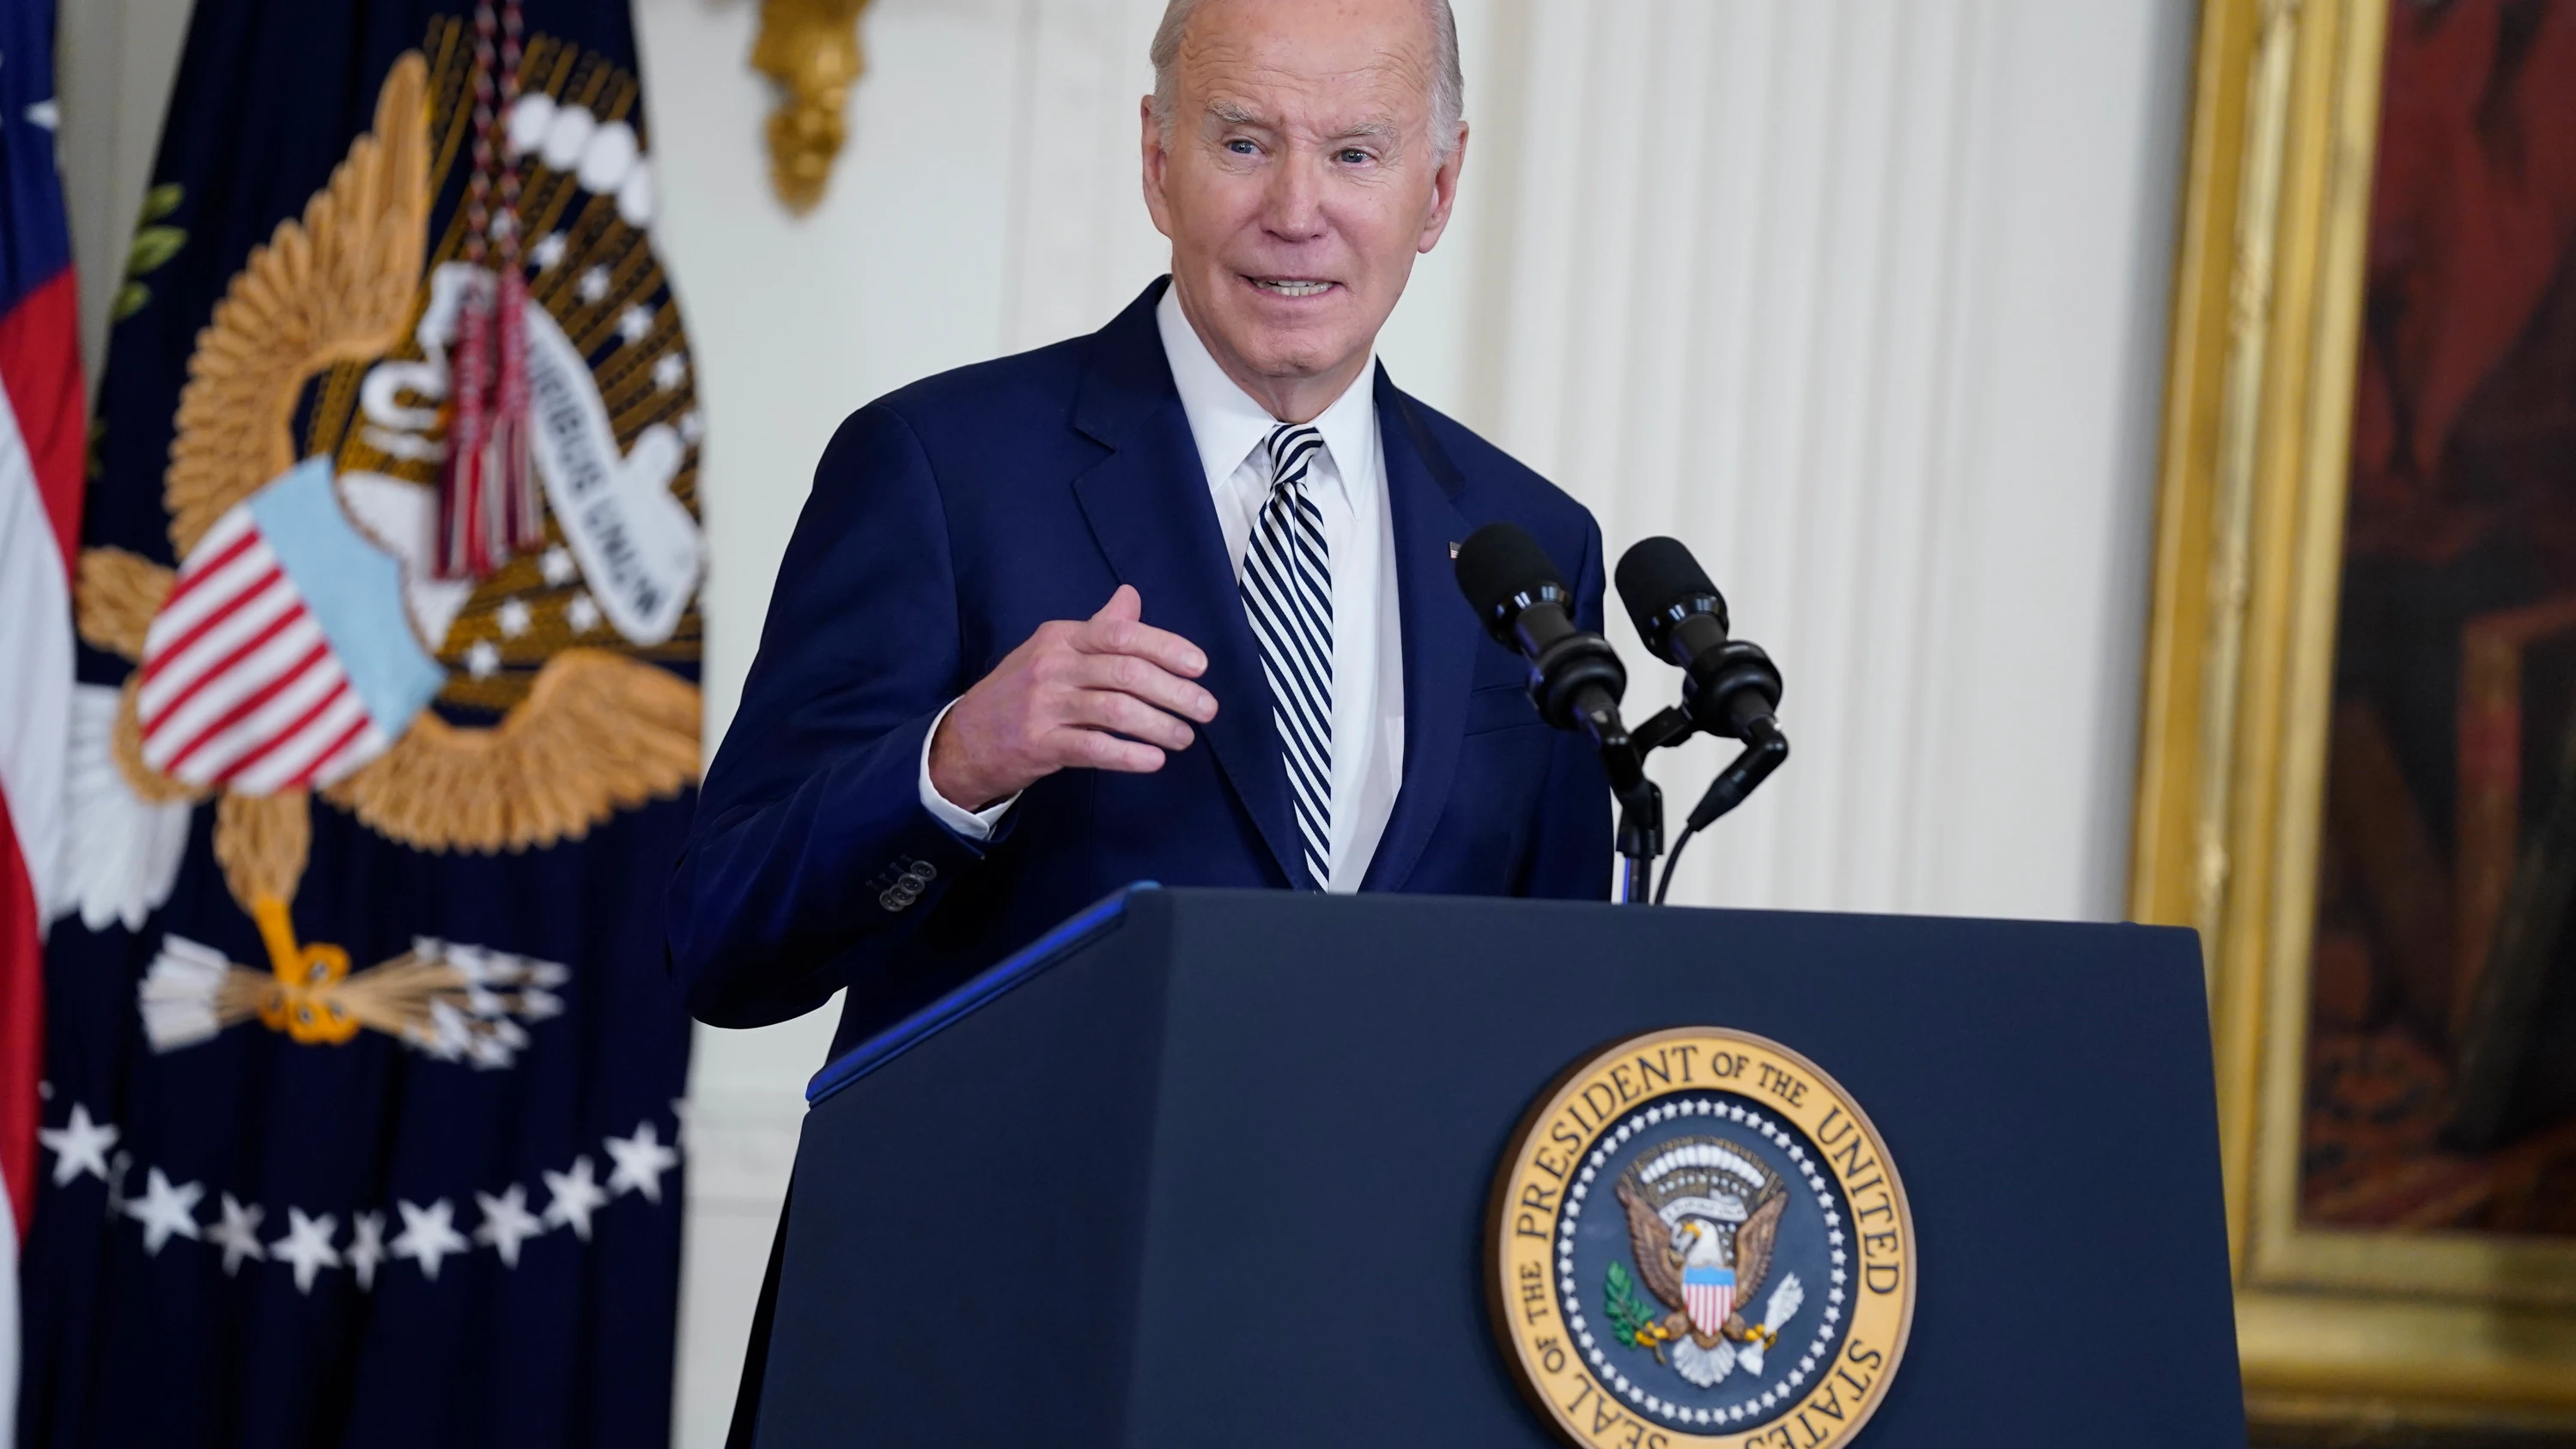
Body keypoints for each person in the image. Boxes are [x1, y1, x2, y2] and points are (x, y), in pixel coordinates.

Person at [667, 0, 1610, 1067]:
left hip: (1364, 1230)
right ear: (1159, 160)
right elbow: (720, 942)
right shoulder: (937, 469)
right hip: (1019, 1224)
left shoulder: (1529, 543)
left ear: (1436, 190)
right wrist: (956, 760)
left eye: (1356, 153)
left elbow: (1556, 999)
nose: (1297, 210)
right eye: (1245, 143)